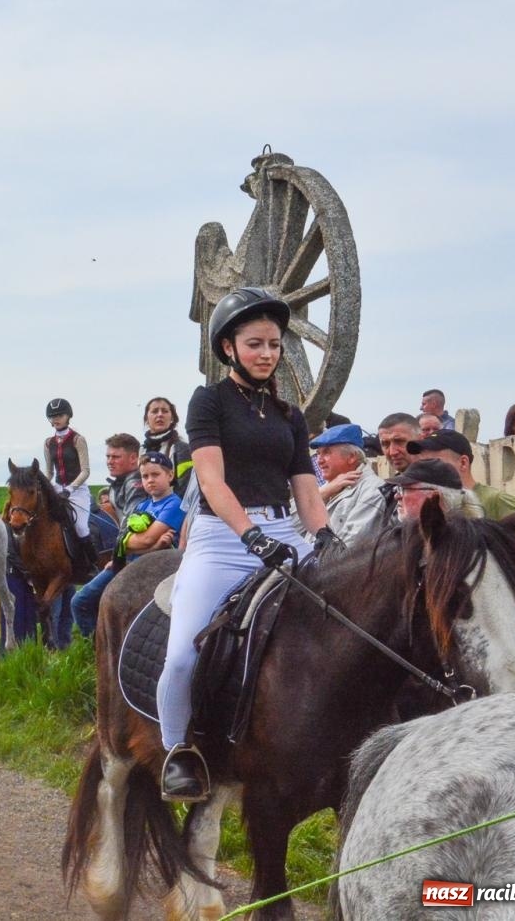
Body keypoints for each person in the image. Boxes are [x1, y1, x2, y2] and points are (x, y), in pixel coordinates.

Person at [155, 288, 333, 802]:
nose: (267, 354)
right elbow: (211, 481)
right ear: (229, 347)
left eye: (274, 345)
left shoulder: (289, 414)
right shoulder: (207, 401)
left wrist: (323, 534)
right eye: (255, 343)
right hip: (221, 538)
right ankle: (178, 752)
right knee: (184, 655)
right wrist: (249, 535)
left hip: (282, 533)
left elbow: (304, 486)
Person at [407, 430, 515, 569]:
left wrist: (485, 562)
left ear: (463, 462)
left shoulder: (493, 499)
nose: (425, 470)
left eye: (434, 462)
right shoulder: (425, 503)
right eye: (422, 463)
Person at [72, 452, 184, 637]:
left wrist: (134, 545)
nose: (150, 480)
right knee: (80, 602)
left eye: (155, 475)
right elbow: (125, 539)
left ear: (170, 475)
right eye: (145, 476)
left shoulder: (174, 505)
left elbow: (142, 539)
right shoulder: (142, 506)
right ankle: (93, 648)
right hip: (125, 563)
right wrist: (146, 546)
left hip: (151, 568)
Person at [306, 424, 389, 545]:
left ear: (351, 457)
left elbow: (349, 548)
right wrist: (321, 494)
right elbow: (290, 524)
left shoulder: (372, 490)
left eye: (327, 453)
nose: (319, 460)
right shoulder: (330, 487)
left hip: (328, 563)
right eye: (318, 453)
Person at [42, 398, 93, 548]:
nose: (55, 419)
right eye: (52, 416)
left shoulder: (78, 440)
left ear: (68, 416)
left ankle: (91, 563)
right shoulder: (47, 443)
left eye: (59, 415)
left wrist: (70, 489)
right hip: (58, 488)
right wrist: (43, 485)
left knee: (81, 527)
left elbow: (86, 470)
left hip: (77, 490)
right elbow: (49, 472)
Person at [142, 397, 194, 492]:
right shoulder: (141, 450)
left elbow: (186, 488)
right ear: (146, 419)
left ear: (172, 418)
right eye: (155, 411)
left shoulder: (182, 449)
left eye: (165, 411)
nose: (160, 414)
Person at [103, 434, 146, 523]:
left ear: (133, 458)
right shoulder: (118, 483)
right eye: (108, 457)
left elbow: (132, 522)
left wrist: (120, 537)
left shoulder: (135, 483)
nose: (110, 462)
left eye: (116, 457)